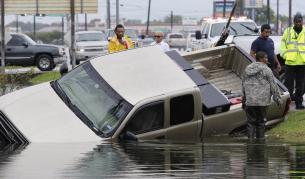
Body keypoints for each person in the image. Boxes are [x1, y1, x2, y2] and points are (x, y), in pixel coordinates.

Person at [242, 51, 281, 140]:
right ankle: (260, 142)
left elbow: (243, 84)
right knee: (261, 122)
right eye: (266, 58)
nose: (267, 59)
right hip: (262, 101)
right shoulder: (266, 70)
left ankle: (250, 141)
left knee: (250, 122)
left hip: (250, 101)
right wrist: (277, 99)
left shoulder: (247, 68)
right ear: (261, 59)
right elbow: (273, 85)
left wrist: (243, 98)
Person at [280, 12, 305, 109]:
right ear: (293, 22)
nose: (298, 23)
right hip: (290, 62)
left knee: (300, 84)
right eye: (296, 22)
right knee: (288, 85)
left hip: (302, 62)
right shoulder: (288, 31)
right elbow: (283, 45)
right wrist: (285, 55)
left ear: (302, 22)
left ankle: (299, 103)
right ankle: (286, 104)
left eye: (300, 21)